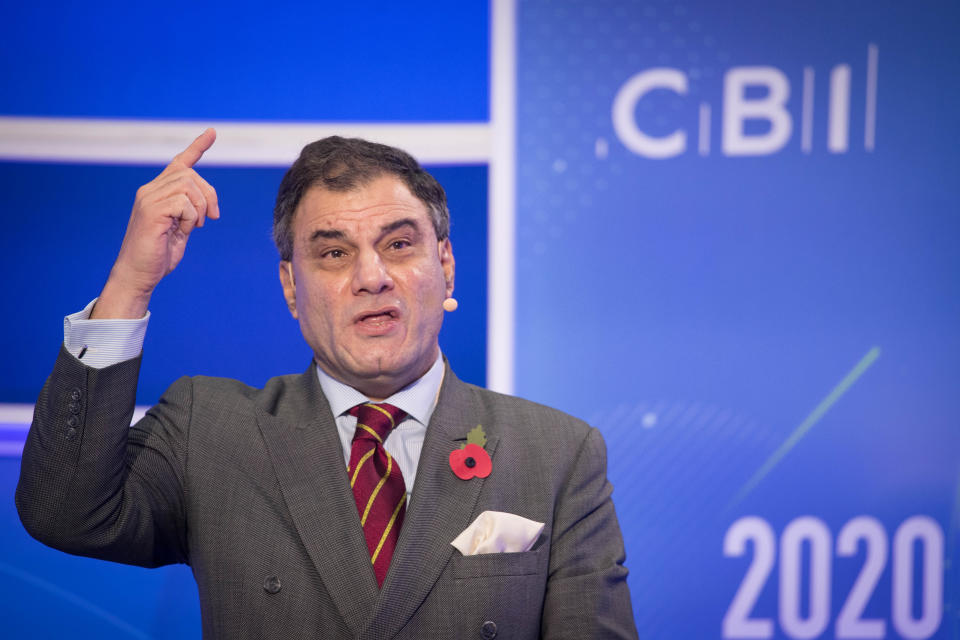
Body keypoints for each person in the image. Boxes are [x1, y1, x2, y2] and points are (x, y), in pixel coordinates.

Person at [16, 130, 638, 639]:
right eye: (334, 254)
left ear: (445, 266)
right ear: (291, 286)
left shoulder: (556, 452)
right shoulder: (210, 428)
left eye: (398, 244)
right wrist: (131, 282)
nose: (372, 276)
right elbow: (64, 512)